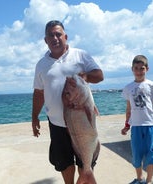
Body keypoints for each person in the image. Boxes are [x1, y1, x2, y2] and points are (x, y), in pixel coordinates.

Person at [31, 20, 103, 184]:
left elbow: (99, 75)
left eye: (58, 34)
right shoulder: (41, 65)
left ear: (65, 36)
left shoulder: (80, 55)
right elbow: (38, 92)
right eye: (51, 35)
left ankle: (86, 175)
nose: (55, 38)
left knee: (84, 160)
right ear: (45, 40)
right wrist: (34, 117)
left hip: (81, 122)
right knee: (64, 163)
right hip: (57, 124)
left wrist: (85, 77)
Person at [121, 55, 153, 184]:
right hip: (136, 126)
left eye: (142, 68)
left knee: (150, 154)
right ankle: (139, 178)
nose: (139, 71)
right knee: (136, 154)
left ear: (147, 69)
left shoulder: (152, 85)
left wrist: (147, 114)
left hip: (150, 125)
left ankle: (149, 181)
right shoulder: (128, 87)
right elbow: (129, 109)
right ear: (132, 69)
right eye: (136, 68)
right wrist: (127, 125)